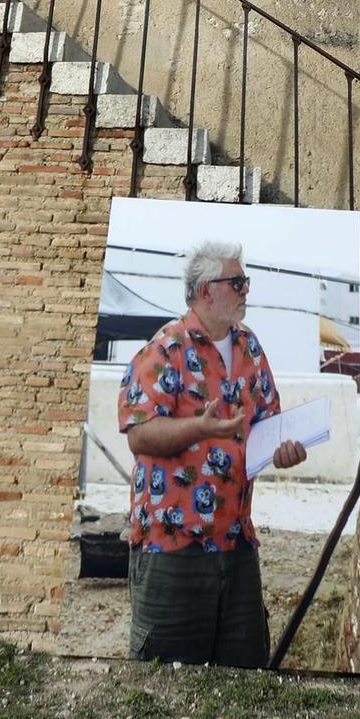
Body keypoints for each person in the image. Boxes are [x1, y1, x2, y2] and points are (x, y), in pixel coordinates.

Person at [117, 239, 307, 665]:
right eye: (236, 282)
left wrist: (285, 448)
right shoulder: (165, 349)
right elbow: (139, 434)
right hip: (173, 549)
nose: (245, 291)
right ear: (206, 291)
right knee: (164, 687)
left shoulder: (249, 347)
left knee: (242, 684)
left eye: (246, 281)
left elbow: (266, 423)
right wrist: (197, 429)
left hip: (236, 545)